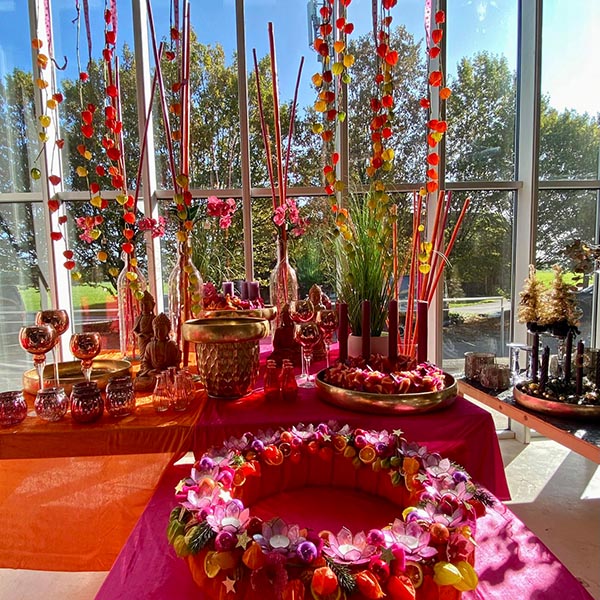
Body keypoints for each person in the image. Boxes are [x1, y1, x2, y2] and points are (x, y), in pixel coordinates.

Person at [135, 313, 181, 391]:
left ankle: (163, 385)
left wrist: (169, 372)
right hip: (153, 376)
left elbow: (176, 363)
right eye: (156, 330)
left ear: (168, 330)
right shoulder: (150, 345)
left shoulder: (172, 346)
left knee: (176, 381)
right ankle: (161, 385)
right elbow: (145, 362)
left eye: (162, 330)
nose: (159, 333)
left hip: (168, 376)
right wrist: (149, 371)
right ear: (153, 330)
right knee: (136, 383)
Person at [133, 291, 156, 360]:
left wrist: (150, 335)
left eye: (146, 305)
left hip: (151, 340)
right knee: (143, 356)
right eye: (142, 305)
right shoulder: (139, 318)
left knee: (151, 355)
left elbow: (157, 332)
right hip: (142, 339)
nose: (144, 307)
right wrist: (139, 335)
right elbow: (135, 330)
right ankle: (143, 364)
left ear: (152, 305)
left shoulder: (154, 319)